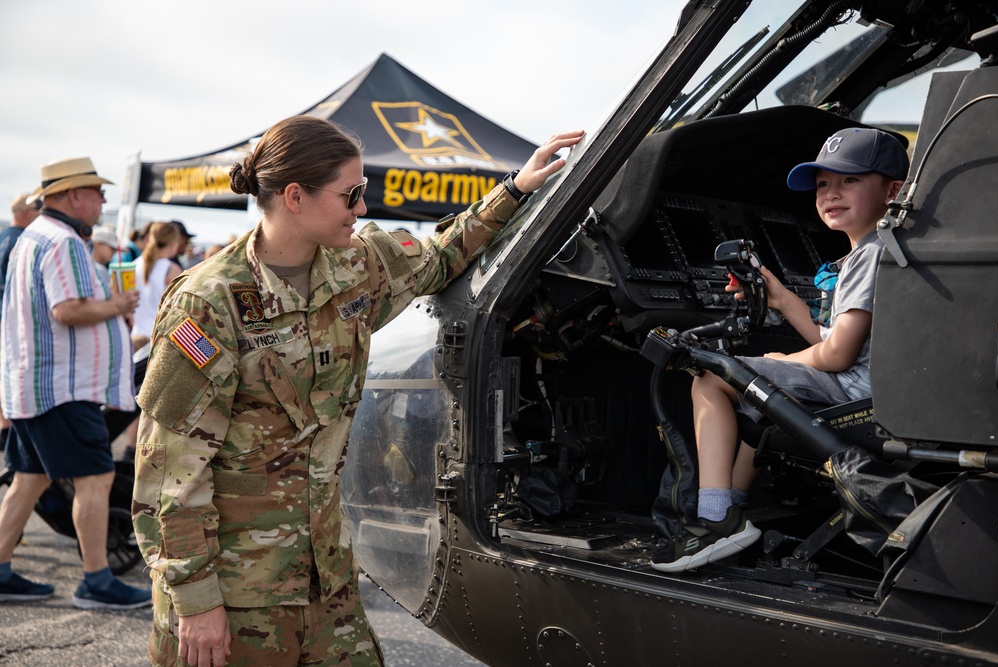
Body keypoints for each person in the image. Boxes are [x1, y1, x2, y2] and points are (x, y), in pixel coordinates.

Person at [132, 115, 583, 667]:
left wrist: (514, 190)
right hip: (236, 591)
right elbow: (168, 473)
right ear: (295, 196)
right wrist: (197, 602)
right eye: (352, 195)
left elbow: (442, 254)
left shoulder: (357, 265)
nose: (362, 209)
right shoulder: (210, 304)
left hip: (328, 579)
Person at [651, 127, 909, 573]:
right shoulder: (876, 252)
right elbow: (833, 343)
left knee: (715, 375)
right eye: (823, 184)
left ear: (893, 190)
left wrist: (780, 362)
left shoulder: (871, 256)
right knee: (761, 393)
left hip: (860, 395)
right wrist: (784, 299)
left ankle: (716, 520)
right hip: (870, 387)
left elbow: (835, 358)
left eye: (849, 181)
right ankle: (732, 504)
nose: (831, 194)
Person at [0, 157, 151, 609]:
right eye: (98, 192)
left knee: (29, 480)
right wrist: (118, 304)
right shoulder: (63, 242)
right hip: (62, 387)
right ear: (74, 196)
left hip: (37, 383)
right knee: (96, 477)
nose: (104, 201)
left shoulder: (35, 236)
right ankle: (96, 581)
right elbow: (66, 310)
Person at [0, 193, 41, 446]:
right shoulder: (21, 241)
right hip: (8, 317)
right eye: (37, 208)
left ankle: (4, 428)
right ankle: (8, 430)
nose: (40, 214)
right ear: (26, 212)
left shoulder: (4, 236)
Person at [131, 221, 183, 350]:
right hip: (156, 340)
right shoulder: (172, 270)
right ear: (174, 242)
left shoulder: (134, 264)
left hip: (133, 336)